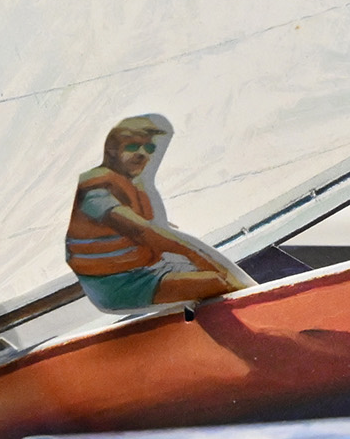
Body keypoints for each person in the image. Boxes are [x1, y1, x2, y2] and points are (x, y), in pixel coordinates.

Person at [64, 114, 252, 313]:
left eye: (149, 148)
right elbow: (142, 232)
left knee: (213, 277)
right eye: (132, 146)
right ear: (111, 150)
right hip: (117, 284)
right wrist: (194, 255)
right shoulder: (95, 192)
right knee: (219, 283)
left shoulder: (129, 185)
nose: (142, 154)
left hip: (145, 269)